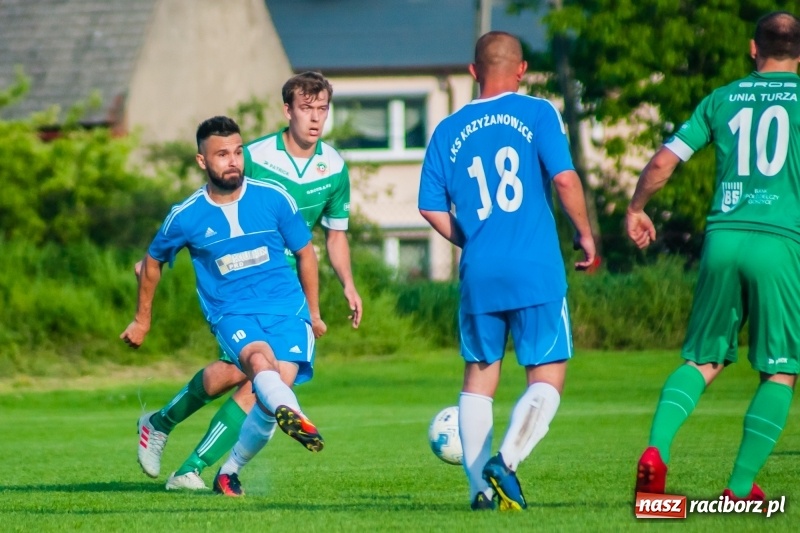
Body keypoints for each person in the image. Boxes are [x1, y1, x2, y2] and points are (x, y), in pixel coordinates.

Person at [135, 72, 362, 492]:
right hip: (235, 300)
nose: (315, 117)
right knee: (255, 369)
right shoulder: (245, 167)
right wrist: (144, 301)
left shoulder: (325, 170)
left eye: (322, 109)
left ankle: (210, 467)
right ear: (288, 111)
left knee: (252, 380)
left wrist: (336, 293)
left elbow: (324, 241)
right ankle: (188, 440)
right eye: (307, 108)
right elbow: (173, 241)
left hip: (286, 296)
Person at [418, 31, 596, 511]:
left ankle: (479, 492)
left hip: (480, 271)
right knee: (546, 376)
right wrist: (584, 232)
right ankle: (508, 461)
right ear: (522, 70)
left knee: (479, 379)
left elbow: (429, 207)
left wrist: (473, 240)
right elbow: (564, 179)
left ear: (473, 71)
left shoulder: (447, 129)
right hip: (535, 267)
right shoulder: (538, 112)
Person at [628, 11, 800, 501]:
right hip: (780, 242)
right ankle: (740, 488)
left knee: (702, 359)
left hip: (722, 239)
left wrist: (636, 208)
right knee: (780, 369)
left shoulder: (722, 99)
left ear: (753, 48)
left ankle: (656, 451)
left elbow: (662, 163)